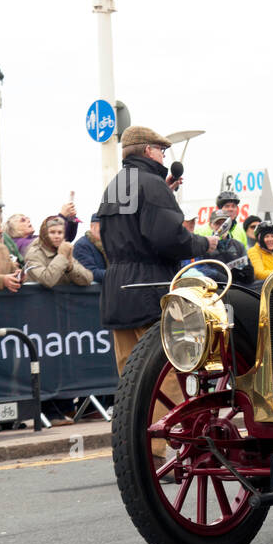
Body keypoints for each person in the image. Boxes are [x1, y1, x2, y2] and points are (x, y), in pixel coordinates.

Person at [96, 125, 217, 375]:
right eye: (162, 150)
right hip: (148, 289)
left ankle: (133, 417)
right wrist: (204, 243)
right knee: (161, 372)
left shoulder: (114, 186)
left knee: (130, 374)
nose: (164, 156)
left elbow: (129, 225)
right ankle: (167, 417)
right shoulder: (152, 186)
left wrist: (164, 192)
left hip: (118, 291)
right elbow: (169, 239)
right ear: (148, 150)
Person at [24, 216, 94, 288]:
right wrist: (61, 257)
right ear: (44, 234)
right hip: (40, 298)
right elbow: (47, 280)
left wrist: (71, 268)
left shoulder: (63, 249)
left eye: (60, 233)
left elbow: (88, 279)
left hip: (65, 298)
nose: (57, 236)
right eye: (52, 232)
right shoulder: (34, 254)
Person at [189, 211, 254, 286]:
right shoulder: (205, 245)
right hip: (215, 288)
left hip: (239, 288)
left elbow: (249, 273)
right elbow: (198, 268)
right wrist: (217, 274)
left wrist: (248, 273)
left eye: (224, 223)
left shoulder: (239, 245)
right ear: (211, 225)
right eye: (217, 223)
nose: (222, 227)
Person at [72, 213, 106, 283]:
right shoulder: (82, 245)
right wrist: (116, 275)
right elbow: (91, 273)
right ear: (92, 226)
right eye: (101, 226)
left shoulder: (108, 245)